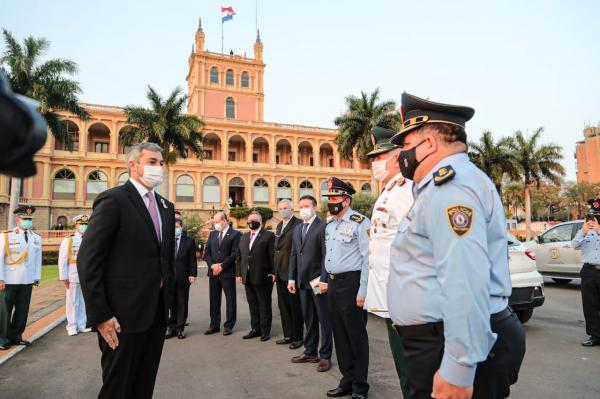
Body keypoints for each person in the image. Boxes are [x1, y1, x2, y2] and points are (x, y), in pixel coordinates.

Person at [388, 93, 525, 399]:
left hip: (445, 346)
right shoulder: (444, 185)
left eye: (405, 146)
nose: (401, 155)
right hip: (437, 341)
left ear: (430, 145)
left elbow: (464, 279)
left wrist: (458, 370)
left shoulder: (450, 188)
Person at [77, 142, 175, 399]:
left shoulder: (166, 206)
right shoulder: (114, 200)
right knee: (118, 388)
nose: (158, 168)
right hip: (121, 318)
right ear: (133, 165)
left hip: (154, 315)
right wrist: (100, 314)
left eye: (160, 163)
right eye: (152, 162)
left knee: (143, 386)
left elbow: (164, 259)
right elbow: (89, 260)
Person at [364, 126, 413, 398]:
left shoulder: (405, 191)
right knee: (403, 369)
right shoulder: (387, 192)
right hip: (389, 298)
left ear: (395, 158)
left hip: (402, 298)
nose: (374, 163)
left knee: (411, 372)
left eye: (378, 157)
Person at [322, 178, 371, 399]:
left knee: (355, 336)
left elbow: (368, 258)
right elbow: (329, 257)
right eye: (329, 198)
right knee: (339, 335)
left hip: (351, 284)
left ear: (346, 200)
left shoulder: (360, 222)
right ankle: (347, 381)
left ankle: (360, 387)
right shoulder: (330, 225)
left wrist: (363, 291)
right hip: (333, 284)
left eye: (334, 198)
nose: (330, 202)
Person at [288, 195, 333, 372]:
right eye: (301, 206)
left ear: (314, 207)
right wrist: (291, 278)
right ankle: (310, 351)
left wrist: (324, 279)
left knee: (324, 319)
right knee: (309, 318)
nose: (303, 209)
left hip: (317, 281)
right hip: (301, 281)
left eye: (306, 206)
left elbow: (326, 256)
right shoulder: (297, 228)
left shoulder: (323, 227)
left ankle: (326, 355)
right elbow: (294, 254)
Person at [0, 205, 42, 350]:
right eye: (25, 219)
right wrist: (0, 278)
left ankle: (16, 336)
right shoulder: (6, 236)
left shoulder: (36, 238)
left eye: (29, 219)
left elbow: (37, 259)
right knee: (5, 310)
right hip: (9, 280)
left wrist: (36, 276)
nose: (28, 222)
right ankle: (3, 338)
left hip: (27, 280)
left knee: (22, 310)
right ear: (18, 220)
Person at [236, 211, 275, 341]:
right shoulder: (244, 236)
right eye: (249, 220)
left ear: (259, 221)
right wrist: (239, 273)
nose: (251, 222)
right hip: (247, 277)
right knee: (252, 304)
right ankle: (255, 329)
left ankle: (265, 331)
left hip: (263, 276)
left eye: (253, 220)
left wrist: (273, 271)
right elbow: (240, 257)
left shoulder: (269, 236)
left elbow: (273, 256)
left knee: (264, 305)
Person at [204, 211, 241, 335]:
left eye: (217, 221)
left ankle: (229, 325)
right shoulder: (212, 234)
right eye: (214, 222)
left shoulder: (235, 234)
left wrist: (222, 266)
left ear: (225, 220)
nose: (216, 224)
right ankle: (214, 325)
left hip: (227, 272)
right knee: (214, 300)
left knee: (230, 299)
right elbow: (207, 253)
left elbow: (235, 254)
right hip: (213, 272)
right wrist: (212, 265)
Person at [274, 199, 304, 348]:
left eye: (285, 208)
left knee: (295, 307)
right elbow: (277, 249)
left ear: (292, 209)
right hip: (280, 272)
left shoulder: (298, 224)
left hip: (292, 272)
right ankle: (288, 335)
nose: (282, 211)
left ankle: (298, 337)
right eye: (280, 208)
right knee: (283, 306)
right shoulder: (279, 225)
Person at [58, 214, 92, 336]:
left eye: (86, 224)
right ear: (76, 225)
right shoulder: (69, 240)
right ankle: (71, 326)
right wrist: (64, 277)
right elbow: (62, 260)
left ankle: (81, 324)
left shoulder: (90, 239)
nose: (84, 226)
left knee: (83, 301)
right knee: (72, 302)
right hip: (73, 275)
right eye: (81, 224)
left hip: (87, 276)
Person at [571, 200, 600, 347]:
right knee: (590, 306)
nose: (594, 220)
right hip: (589, 271)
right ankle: (595, 336)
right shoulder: (586, 231)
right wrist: (583, 230)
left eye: (597, 217)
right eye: (592, 217)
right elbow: (574, 245)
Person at [166, 218, 197, 340]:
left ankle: (180, 329)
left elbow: (192, 260)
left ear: (181, 227)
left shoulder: (189, 241)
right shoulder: (167, 241)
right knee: (171, 303)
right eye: (173, 227)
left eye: (177, 227)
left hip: (183, 277)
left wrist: (192, 274)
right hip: (170, 278)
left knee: (182, 303)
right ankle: (171, 328)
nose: (175, 229)